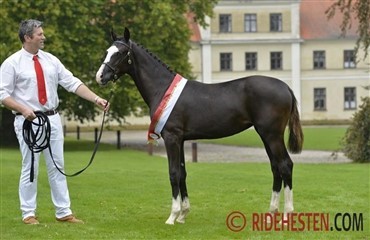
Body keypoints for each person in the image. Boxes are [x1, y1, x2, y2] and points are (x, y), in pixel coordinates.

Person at [0, 19, 109, 225]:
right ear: (27, 37)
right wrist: (23, 109)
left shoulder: (51, 60)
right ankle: (28, 213)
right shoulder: (12, 63)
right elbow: (2, 94)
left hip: (53, 119)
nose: (44, 37)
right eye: (39, 34)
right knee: (30, 166)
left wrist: (96, 98)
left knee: (57, 165)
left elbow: (72, 82)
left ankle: (63, 212)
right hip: (28, 121)